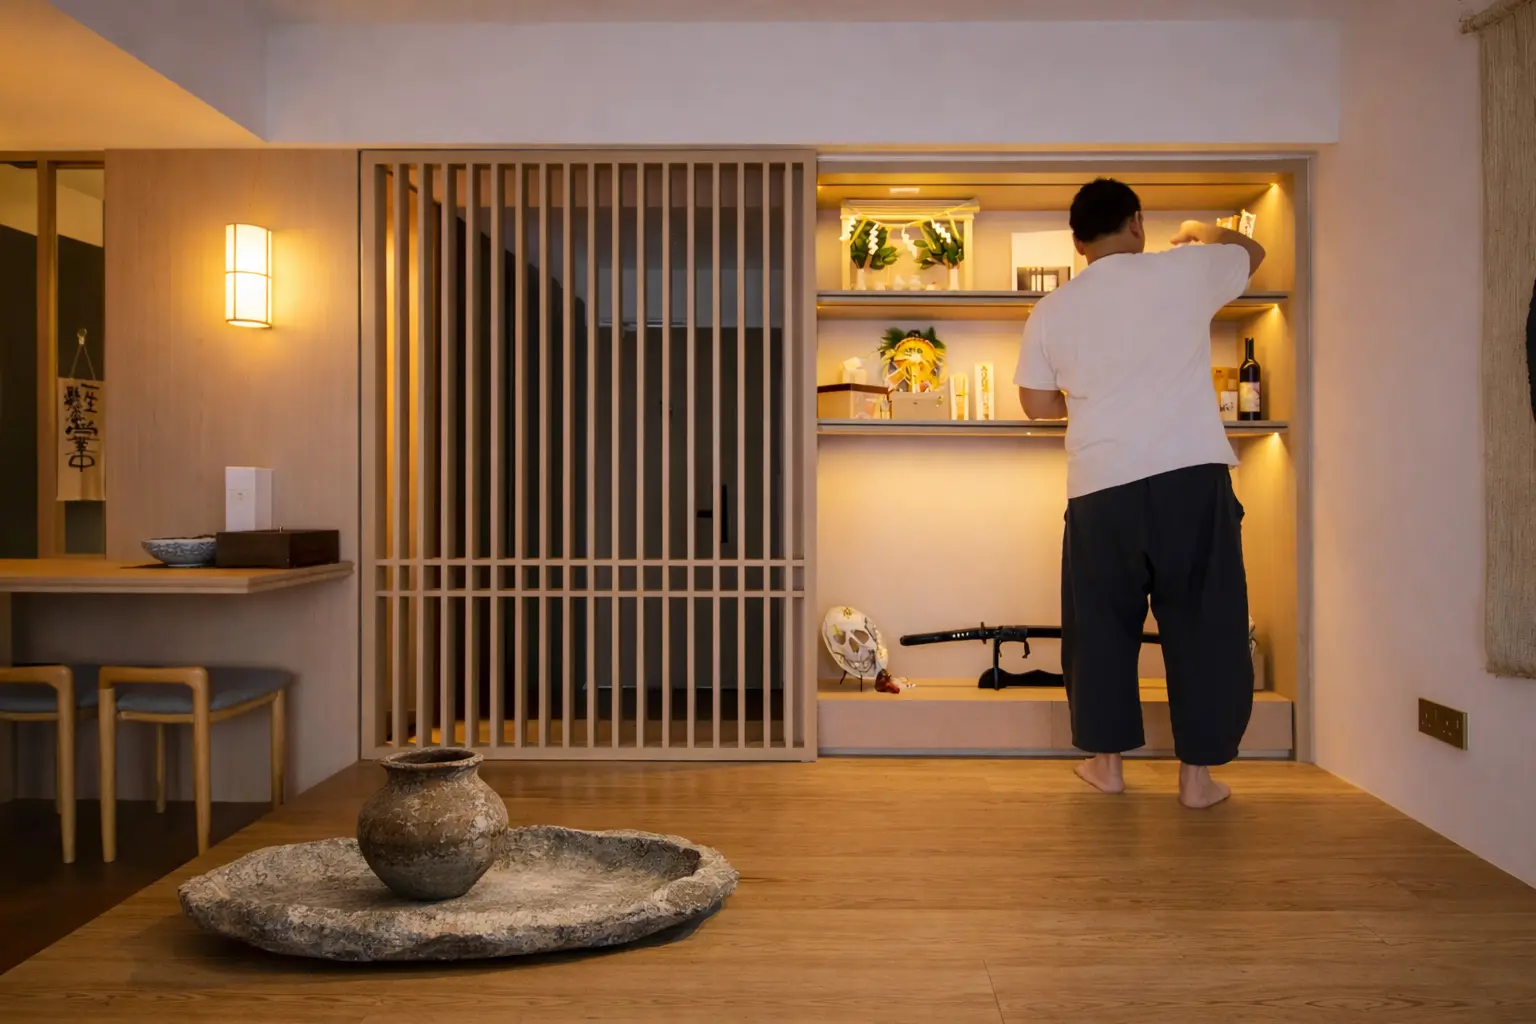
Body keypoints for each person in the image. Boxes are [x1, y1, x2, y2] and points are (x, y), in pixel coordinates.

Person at [1012, 178, 1265, 809]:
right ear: (1137, 224)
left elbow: (1037, 405)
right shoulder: (1185, 269)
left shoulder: (1053, 308)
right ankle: (1197, 781)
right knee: (1205, 626)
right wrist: (1200, 232)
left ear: (1076, 243)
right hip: (1191, 478)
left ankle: (1107, 766)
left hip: (1102, 490)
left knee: (1100, 629)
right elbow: (1251, 254)